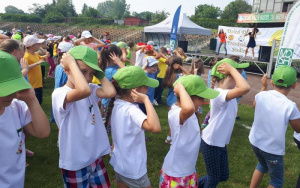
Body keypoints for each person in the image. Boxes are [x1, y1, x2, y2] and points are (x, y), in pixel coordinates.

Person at [52, 46, 116, 187]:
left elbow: (110, 92)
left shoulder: (91, 88)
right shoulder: (60, 93)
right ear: (67, 69)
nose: (88, 78)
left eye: (91, 73)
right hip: (75, 162)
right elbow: (83, 90)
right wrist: (72, 64)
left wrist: (98, 73)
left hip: (95, 157)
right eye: (83, 72)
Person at [0, 50, 50, 188]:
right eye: (5, 89)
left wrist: (32, 100)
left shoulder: (17, 106)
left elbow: (43, 132)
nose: (12, 94)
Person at [198, 58, 250, 188]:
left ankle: (194, 184)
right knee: (214, 179)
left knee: (223, 176)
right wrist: (232, 69)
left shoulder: (225, 92)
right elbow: (245, 87)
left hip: (218, 142)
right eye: (238, 74)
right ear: (228, 77)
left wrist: (233, 71)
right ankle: (193, 184)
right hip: (211, 142)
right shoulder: (219, 94)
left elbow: (241, 86)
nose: (241, 76)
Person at [159, 75, 219, 188]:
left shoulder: (192, 114)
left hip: (188, 171)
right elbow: (189, 108)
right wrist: (181, 88)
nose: (203, 102)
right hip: (175, 173)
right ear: (187, 97)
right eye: (200, 98)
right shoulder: (175, 112)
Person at [106, 66, 161, 188]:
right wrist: (146, 100)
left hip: (120, 163)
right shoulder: (132, 110)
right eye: (146, 86)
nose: (148, 89)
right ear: (135, 90)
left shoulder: (117, 103)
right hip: (133, 170)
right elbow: (156, 127)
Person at [248, 66, 300, 188]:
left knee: (262, 165)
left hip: (255, 142)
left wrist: (264, 87)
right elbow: (298, 129)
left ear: (272, 82)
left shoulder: (261, 95)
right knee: (276, 181)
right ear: (294, 85)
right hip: (272, 149)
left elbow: (255, 105)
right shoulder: (290, 106)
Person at [163, 56, 190, 144]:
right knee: (176, 122)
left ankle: (170, 137)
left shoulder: (169, 74)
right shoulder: (179, 76)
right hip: (177, 102)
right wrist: (182, 68)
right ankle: (169, 138)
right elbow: (190, 75)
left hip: (171, 101)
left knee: (173, 121)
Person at [23, 35, 49, 105]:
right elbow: (25, 68)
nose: (40, 45)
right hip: (32, 84)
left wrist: (46, 56)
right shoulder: (26, 56)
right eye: (38, 44)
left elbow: (41, 58)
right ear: (32, 46)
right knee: (33, 104)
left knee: (39, 102)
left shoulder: (35, 54)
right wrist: (38, 63)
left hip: (38, 83)